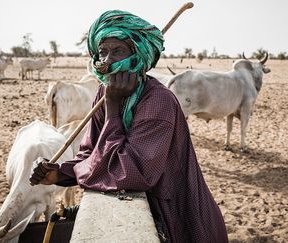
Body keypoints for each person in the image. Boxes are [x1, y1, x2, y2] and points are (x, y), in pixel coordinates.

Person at [30, 10, 228, 243]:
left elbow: (129, 173)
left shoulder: (157, 102)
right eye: (102, 53)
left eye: (118, 51)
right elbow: (92, 152)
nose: (106, 61)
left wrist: (113, 110)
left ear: (138, 55)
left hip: (178, 217)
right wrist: (61, 173)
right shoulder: (105, 92)